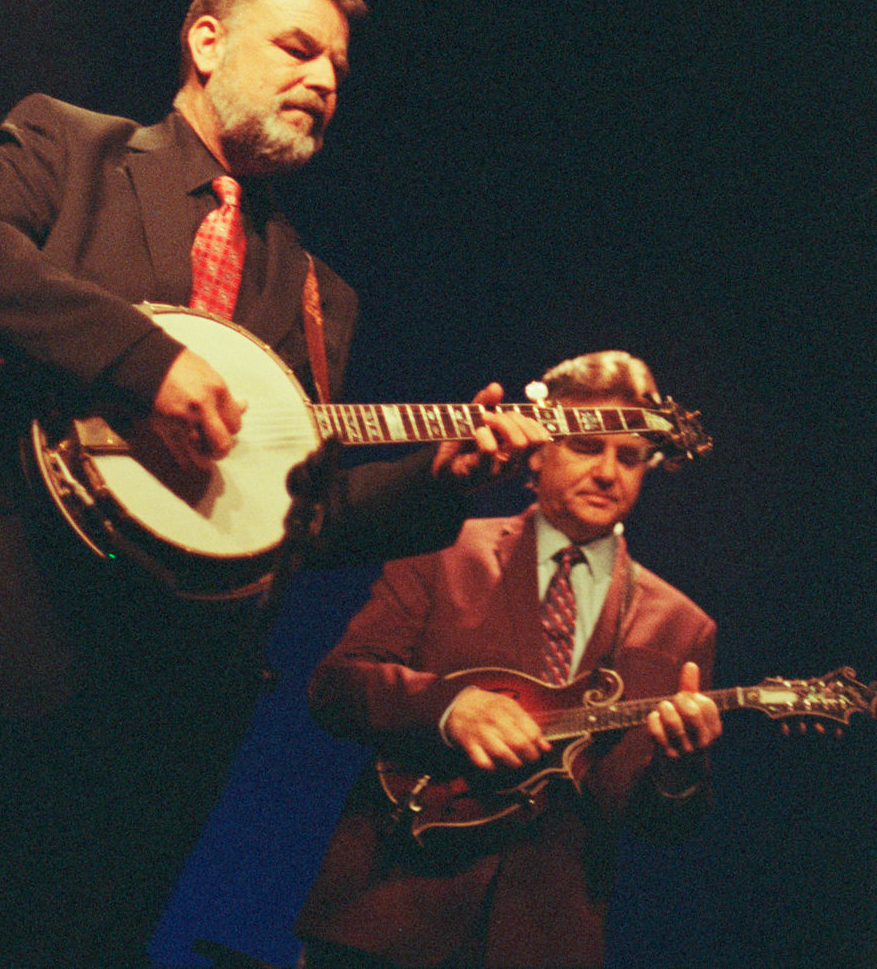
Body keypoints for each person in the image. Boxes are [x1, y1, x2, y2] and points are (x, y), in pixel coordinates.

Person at [0, 0, 544, 969]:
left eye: (338, 69)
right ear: (207, 42)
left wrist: (435, 485)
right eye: (299, 49)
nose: (324, 81)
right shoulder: (72, 147)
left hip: (140, 730)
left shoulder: (319, 297)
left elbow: (295, 516)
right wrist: (142, 362)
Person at [296, 350, 722, 969]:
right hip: (386, 913)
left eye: (629, 457)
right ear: (538, 450)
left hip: (543, 941)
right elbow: (336, 687)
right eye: (586, 446)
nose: (608, 472)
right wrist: (450, 709)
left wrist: (680, 767)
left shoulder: (683, 627)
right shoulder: (440, 543)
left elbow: (662, 826)